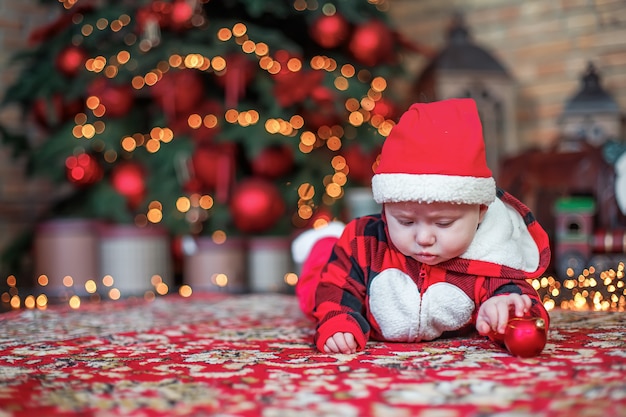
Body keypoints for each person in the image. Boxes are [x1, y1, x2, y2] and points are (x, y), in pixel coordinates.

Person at [291, 98, 551, 354]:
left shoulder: (491, 254)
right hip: (337, 263)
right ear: (385, 208)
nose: (424, 238)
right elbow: (337, 287)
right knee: (313, 292)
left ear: (481, 211)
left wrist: (506, 310)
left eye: (443, 223)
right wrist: (338, 323)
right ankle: (323, 243)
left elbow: (525, 308)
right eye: (405, 221)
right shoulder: (363, 241)